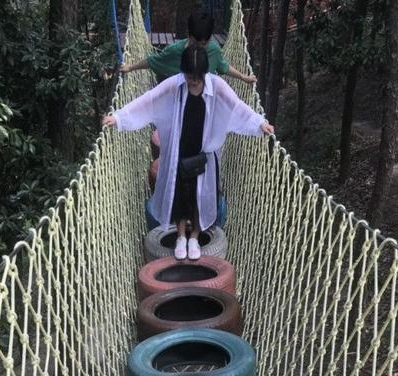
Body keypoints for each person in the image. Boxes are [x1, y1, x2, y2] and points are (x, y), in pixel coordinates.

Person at [103, 46, 273, 260]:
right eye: (189, 76)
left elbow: (237, 106)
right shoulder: (175, 84)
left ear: (204, 74)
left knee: (201, 195)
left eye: (196, 77)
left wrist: (259, 123)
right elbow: (148, 99)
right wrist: (118, 117)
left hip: (204, 153)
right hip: (179, 151)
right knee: (180, 195)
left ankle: (194, 236)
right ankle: (181, 236)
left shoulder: (216, 85)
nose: (192, 81)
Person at [120, 9, 256, 85]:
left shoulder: (214, 50)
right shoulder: (174, 51)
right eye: (195, 43)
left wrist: (243, 77)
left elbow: (223, 66)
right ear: (189, 35)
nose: (199, 47)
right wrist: (130, 67)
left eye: (204, 44)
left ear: (209, 39)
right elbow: (152, 60)